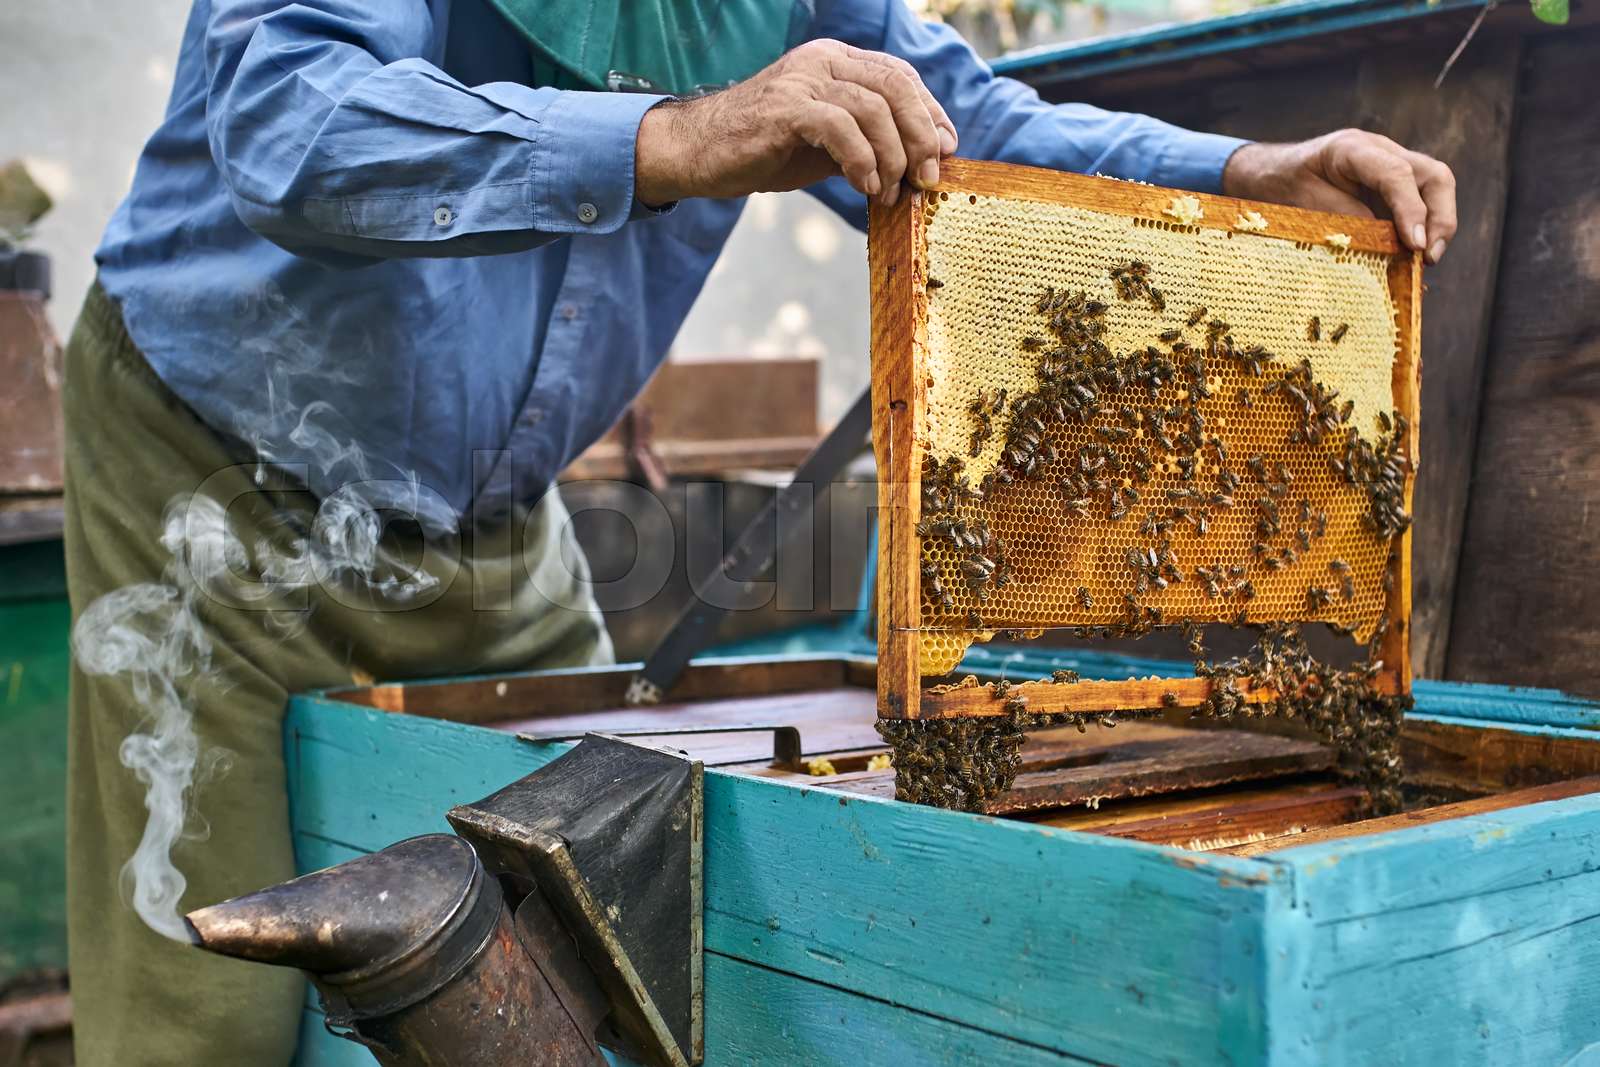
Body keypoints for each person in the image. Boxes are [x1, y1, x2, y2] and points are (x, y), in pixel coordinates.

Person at [65, 0, 1457, 1062]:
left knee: (604, 918)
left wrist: (1244, 170)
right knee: (208, 996)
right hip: (217, 477)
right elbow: (289, 117)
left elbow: (958, 122)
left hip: (499, 509)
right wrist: (675, 138)